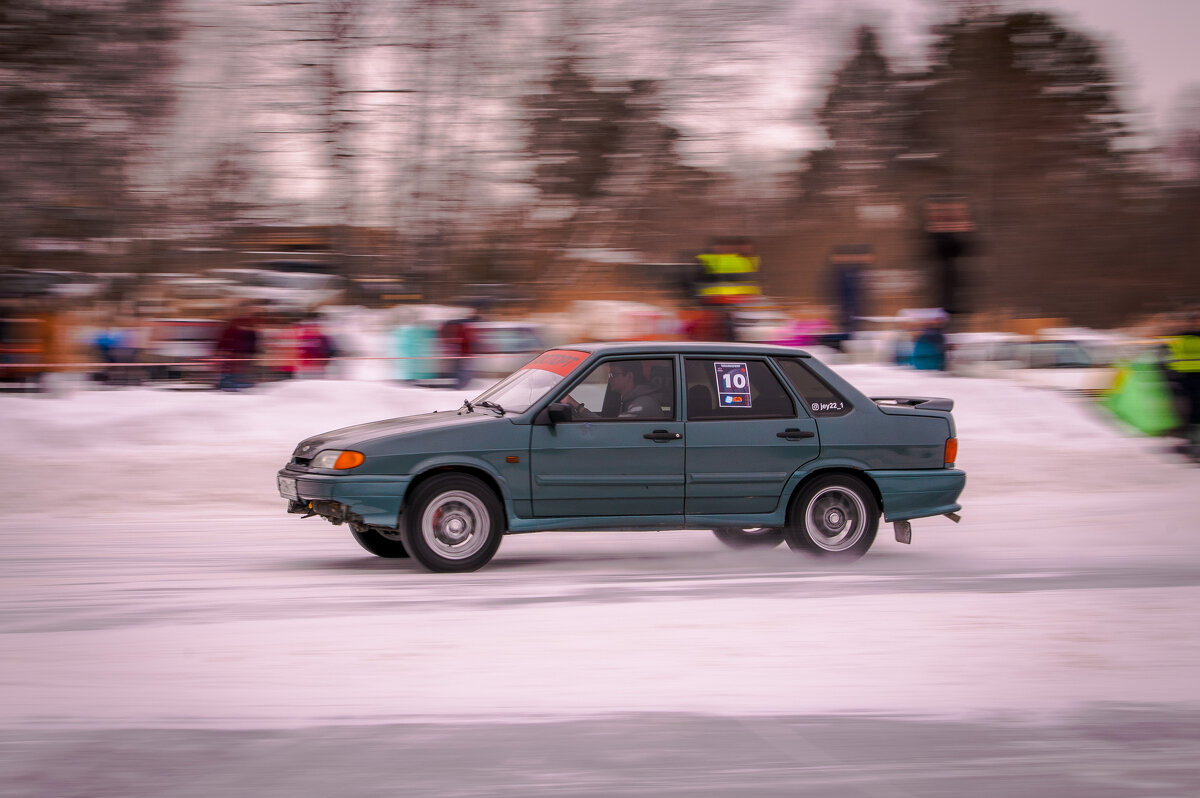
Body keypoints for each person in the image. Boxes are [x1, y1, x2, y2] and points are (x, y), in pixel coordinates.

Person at [563, 361, 666, 419]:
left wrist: (575, 405)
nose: (610, 378)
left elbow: (609, 429)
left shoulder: (642, 405)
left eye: (614, 374)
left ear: (629, 376)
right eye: (610, 374)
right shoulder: (630, 401)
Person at [1164, 310, 1200, 458]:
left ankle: (1193, 443)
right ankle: (1194, 443)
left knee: (1193, 413)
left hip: (1187, 381)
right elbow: (1171, 361)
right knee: (1193, 413)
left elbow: (1170, 361)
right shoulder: (1181, 340)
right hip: (1188, 381)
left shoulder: (1180, 340)